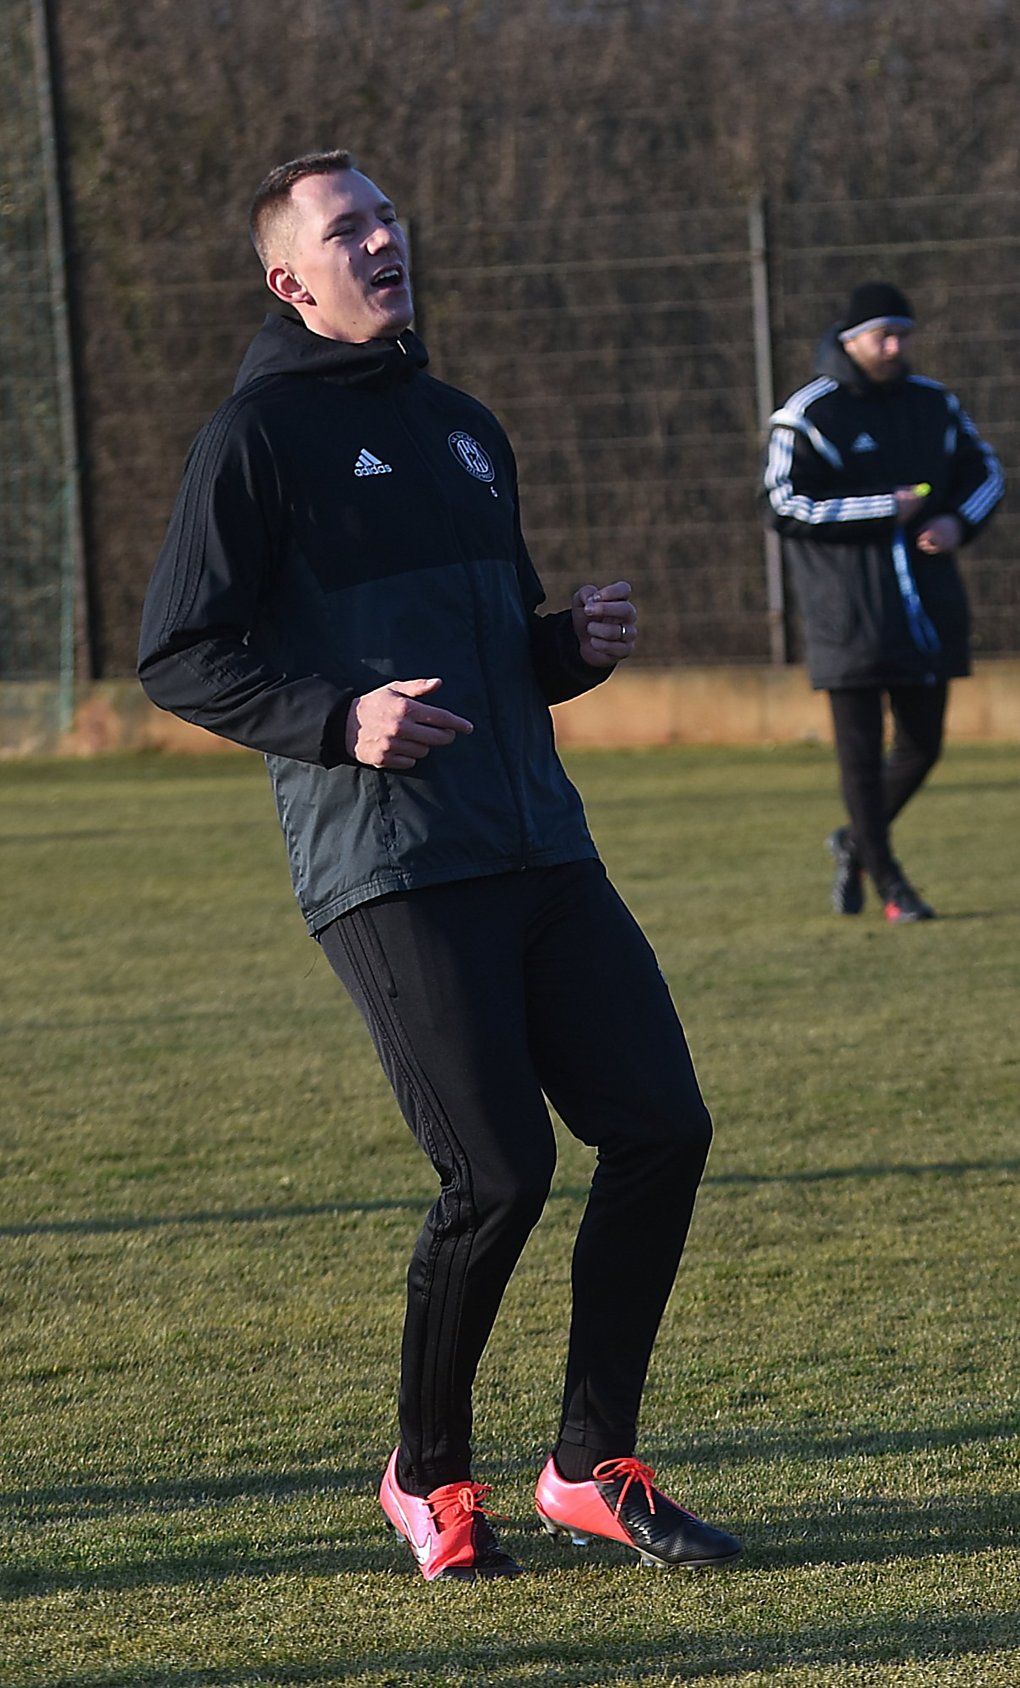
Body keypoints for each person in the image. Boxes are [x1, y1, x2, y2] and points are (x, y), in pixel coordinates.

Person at [138, 150, 741, 1582]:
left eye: (387, 217)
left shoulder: (466, 429)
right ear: (290, 279)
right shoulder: (254, 439)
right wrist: (340, 720)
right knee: (499, 1173)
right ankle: (427, 1477)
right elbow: (179, 652)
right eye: (346, 229)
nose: (381, 240)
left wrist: (564, 649)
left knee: (663, 1128)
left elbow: (496, 656)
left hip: (537, 837)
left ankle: (589, 1465)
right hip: (391, 860)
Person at [762, 281, 1004, 922]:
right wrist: (881, 508)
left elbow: (987, 472)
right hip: (848, 618)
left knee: (923, 746)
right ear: (851, 341)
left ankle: (855, 842)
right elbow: (782, 503)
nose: (895, 347)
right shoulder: (808, 414)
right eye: (882, 336)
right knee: (862, 759)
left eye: (903, 335)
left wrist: (955, 522)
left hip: (927, 612)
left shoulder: (934, 403)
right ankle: (893, 886)